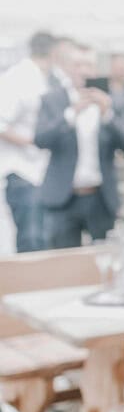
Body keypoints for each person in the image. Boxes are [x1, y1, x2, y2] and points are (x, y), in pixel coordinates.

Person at [35, 42, 124, 248]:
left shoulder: (112, 100)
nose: (83, 70)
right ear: (68, 68)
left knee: (104, 259)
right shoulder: (52, 99)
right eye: (77, 64)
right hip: (64, 197)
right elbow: (41, 139)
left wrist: (107, 114)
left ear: (96, 69)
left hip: (100, 197)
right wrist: (71, 115)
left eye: (88, 65)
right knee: (63, 263)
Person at [0, 31, 57, 253]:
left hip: (41, 173)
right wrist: (36, 141)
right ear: (53, 52)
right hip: (23, 172)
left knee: (42, 241)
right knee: (31, 242)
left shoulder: (46, 79)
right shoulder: (18, 78)